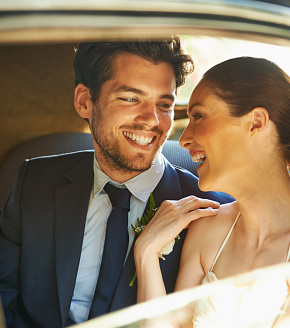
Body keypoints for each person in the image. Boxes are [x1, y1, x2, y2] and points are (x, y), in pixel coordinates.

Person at [0, 39, 232, 328]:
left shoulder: (212, 210)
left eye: (164, 104)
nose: (152, 120)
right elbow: (5, 293)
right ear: (85, 101)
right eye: (131, 99)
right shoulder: (34, 180)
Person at [134, 57, 290, 327]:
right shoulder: (207, 230)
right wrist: (146, 253)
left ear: (256, 122)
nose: (184, 138)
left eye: (199, 117)